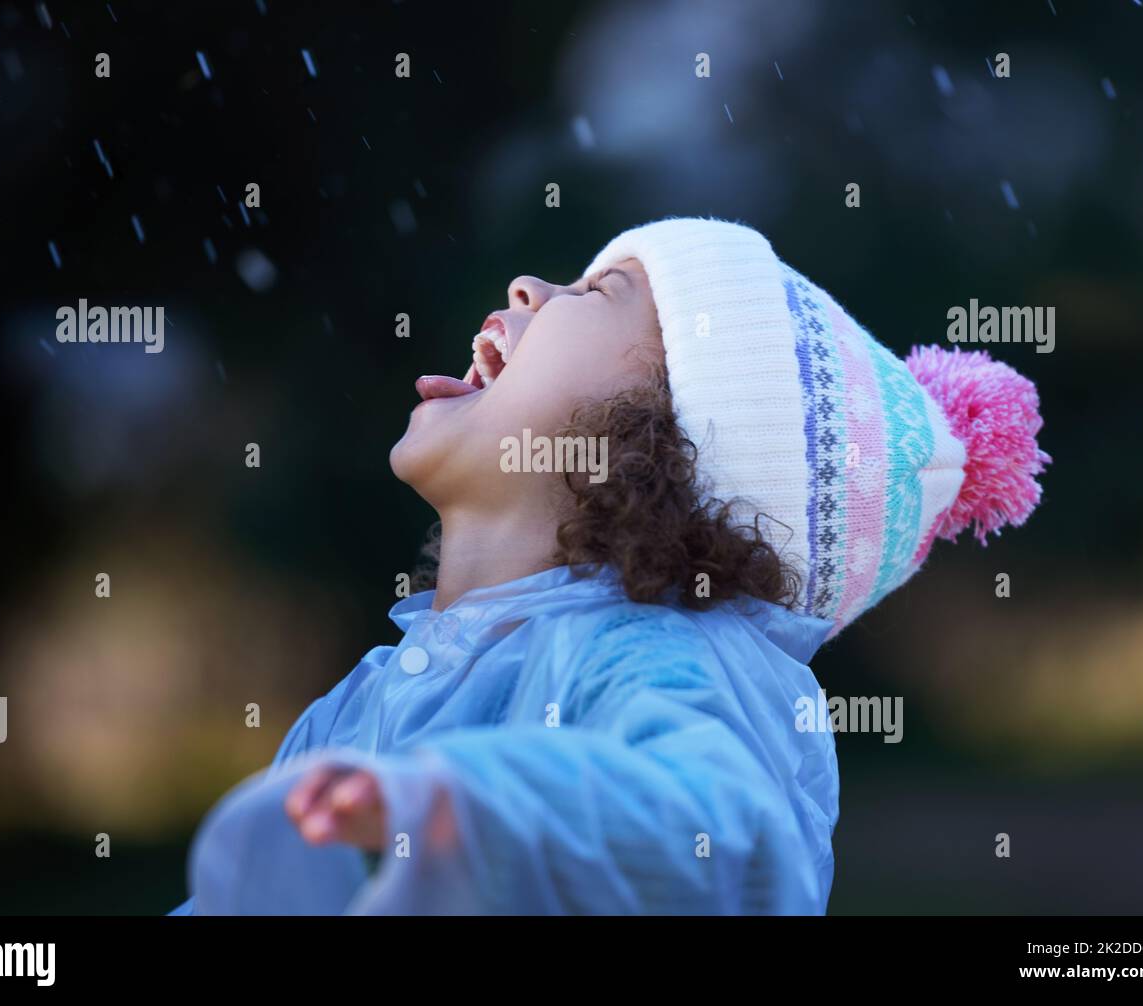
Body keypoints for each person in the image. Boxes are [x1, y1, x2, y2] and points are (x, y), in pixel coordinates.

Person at [168, 216, 1049, 915]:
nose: (526, 287)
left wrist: (468, 812)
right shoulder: (358, 703)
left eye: (597, 291)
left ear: (661, 442)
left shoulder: (654, 657)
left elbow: (722, 845)